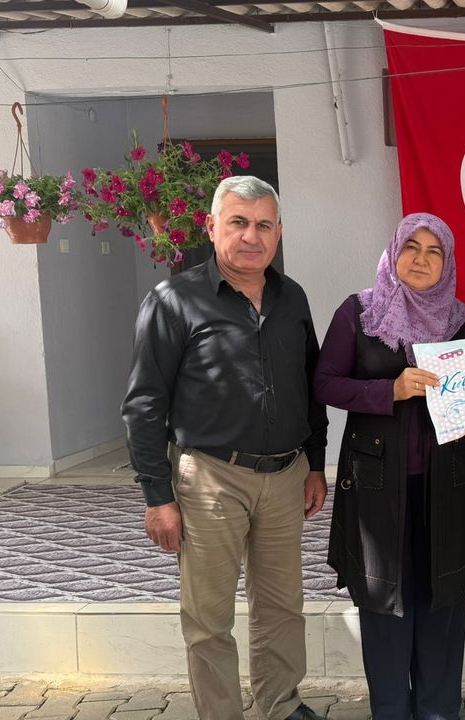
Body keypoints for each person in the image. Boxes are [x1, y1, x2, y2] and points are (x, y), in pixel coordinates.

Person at [122, 175, 329, 720]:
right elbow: (144, 403)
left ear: (279, 232)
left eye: (263, 225)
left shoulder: (292, 298)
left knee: (282, 605)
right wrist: (157, 496)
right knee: (209, 616)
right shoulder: (173, 301)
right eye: (238, 222)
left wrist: (315, 463)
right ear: (212, 227)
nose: (251, 236)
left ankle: (281, 703)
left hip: (286, 476)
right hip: (211, 478)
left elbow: (310, 386)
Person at [313, 213, 465, 720]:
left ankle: (438, 710)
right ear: (394, 252)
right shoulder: (359, 313)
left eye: (435, 251)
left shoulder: (461, 319)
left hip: (445, 484)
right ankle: (390, 710)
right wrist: (390, 389)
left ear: (447, 263)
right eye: (412, 247)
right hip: (377, 487)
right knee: (384, 601)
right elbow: (324, 383)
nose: (422, 260)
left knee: (442, 598)